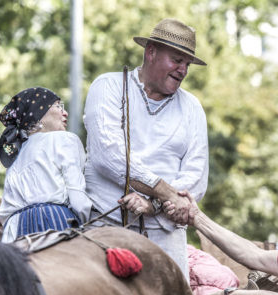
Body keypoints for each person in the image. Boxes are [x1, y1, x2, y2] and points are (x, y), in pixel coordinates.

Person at [83, 18, 209, 279]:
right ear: (151, 52)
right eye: (177, 60)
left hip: (166, 236)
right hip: (105, 229)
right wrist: (164, 191)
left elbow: (196, 177)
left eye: (187, 64)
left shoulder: (192, 107)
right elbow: (109, 156)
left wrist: (154, 204)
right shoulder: (108, 86)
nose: (183, 70)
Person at [0, 87, 92, 243]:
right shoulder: (64, 140)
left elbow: (5, 214)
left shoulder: (15, 158)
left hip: (14, 232)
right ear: (38, 115)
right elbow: (79, 201)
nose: (65, 112)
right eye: (58, 106)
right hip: (54, 222)